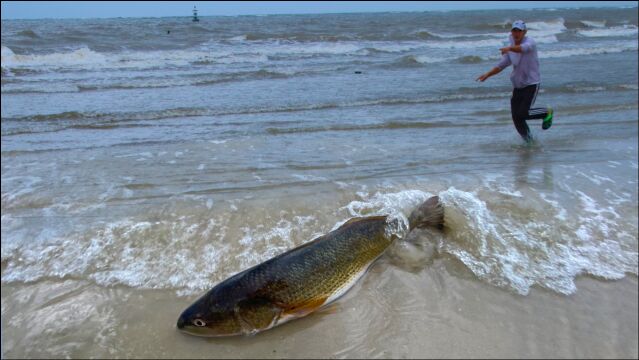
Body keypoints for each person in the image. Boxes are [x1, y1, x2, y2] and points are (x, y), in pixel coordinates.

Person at [476, 20, 553, 142]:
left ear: (524, 32)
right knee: (516, 117)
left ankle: (546, 112)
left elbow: (522, 48)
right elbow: (503, 64)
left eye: (519, 31)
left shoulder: (530, 42)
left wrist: (509, 48)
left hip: (531, 84)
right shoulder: (511, 45)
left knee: (523, 113)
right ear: (511, 32)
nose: (516, 33)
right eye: (514, 31)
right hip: (518, 86)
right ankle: (529, 141)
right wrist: (488, 74)